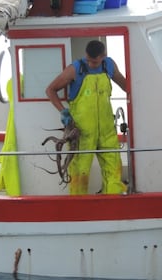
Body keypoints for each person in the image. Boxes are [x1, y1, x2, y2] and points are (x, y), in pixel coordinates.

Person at [46, 40, 127, 195]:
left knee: (113, 172)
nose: (91, 64)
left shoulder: (109, 66)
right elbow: (50, 90)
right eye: (88, 60)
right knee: (79, 175)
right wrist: (63, 112)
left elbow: (126, 86)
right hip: (81, 135)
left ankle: (113, 207)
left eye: (95, 61)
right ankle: (78, 210)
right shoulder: (75, 69)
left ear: (103, 56)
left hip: (107, 133)